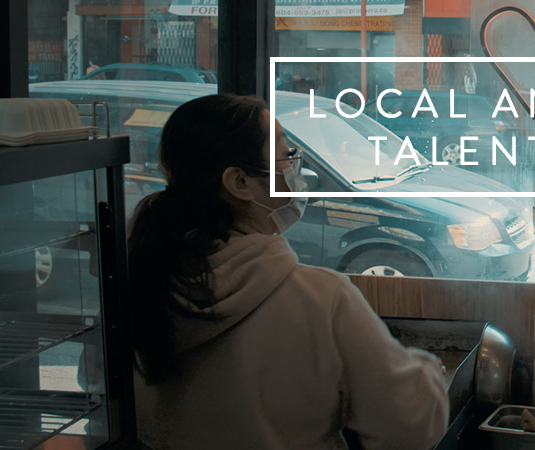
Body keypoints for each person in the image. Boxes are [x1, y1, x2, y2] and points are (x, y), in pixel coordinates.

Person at [127, 94, 448, 450]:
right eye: (287, 155)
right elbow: (411, 426)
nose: (298, 169)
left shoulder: (137, 281)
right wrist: (424, 369)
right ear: (239, 183)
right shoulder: (321, 300)